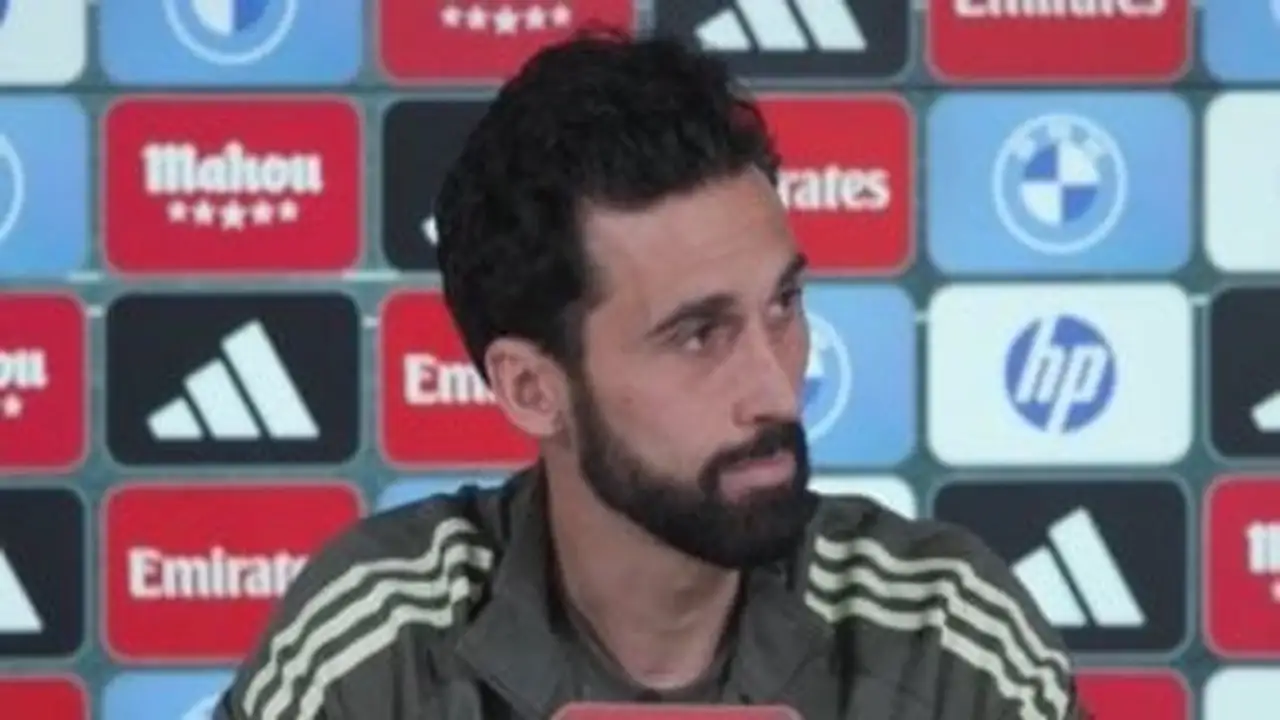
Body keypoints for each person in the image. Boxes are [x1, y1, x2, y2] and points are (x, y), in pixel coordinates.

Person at [214, 29, 1085, 720]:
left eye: (782, 305)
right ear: (532, 388)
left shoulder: (945, 635)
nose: (776, 390)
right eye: (699, 335)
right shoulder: (376, 645)